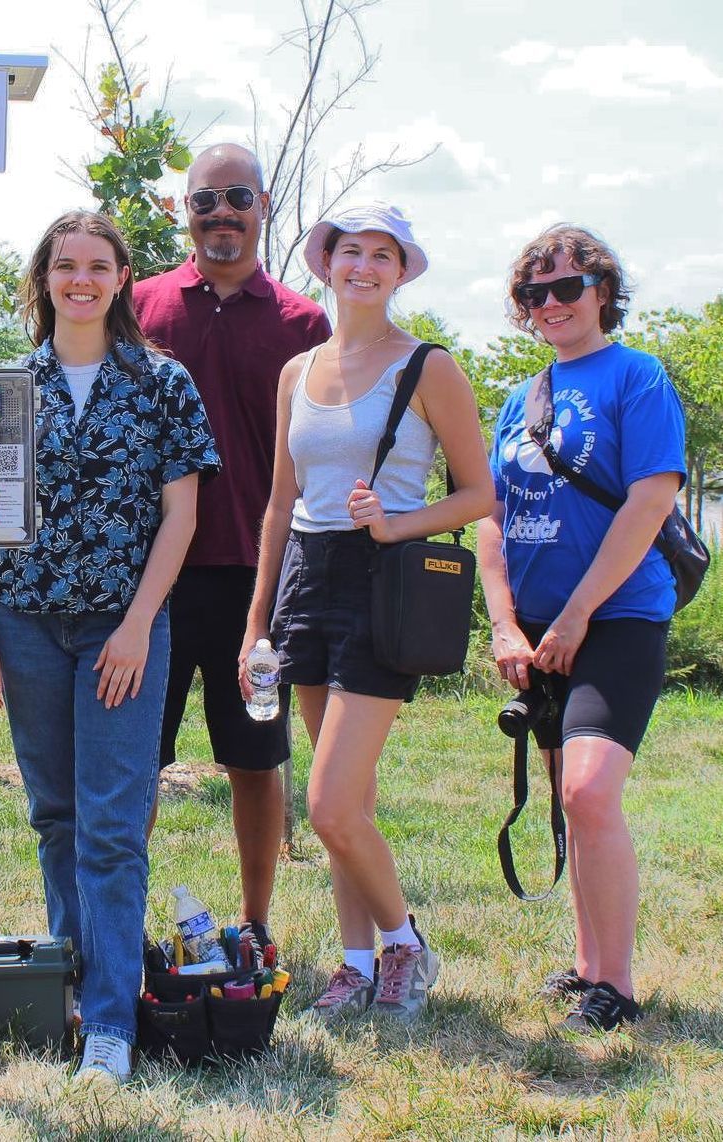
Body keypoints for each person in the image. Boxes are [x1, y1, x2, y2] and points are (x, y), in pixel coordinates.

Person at [0, 210, 219, 1083]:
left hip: (124, 629)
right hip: (26, 625)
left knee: (111, 827)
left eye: (97, 265)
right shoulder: (1, 389)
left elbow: (181, 515)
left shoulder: (162, 383)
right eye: (64, 264)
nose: (81, 278)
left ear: (121, 279)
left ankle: (111, 1023)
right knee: (56, 817)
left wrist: (140, 625)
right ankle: (73, 990)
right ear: (43, 279)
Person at [239, 203, 491, 1021]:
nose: (365, 268)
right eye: (352, 252)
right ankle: (354, 966)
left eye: (384, 256)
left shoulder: (429, 368)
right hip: (307, 580)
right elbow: (280, 505)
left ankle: (407, 946)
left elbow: (480, 493)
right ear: (327, 263)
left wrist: (397, 521)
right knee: (347, 802)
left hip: (386, 583)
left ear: (402, 271)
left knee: (331, 803)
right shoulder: (295, 372)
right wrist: (257, 623)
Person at [478, 226, 684, 1033]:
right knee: (571, 797)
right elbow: (490, 517)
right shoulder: (516, 398)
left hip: (618, 615)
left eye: (569, 287)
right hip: (535, 630)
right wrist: (504, 623)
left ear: (602, 291)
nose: (553, 304)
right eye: (536, 293)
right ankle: (587, 966)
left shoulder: (638, 375)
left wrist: (576, 615)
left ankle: (620, 985)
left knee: (590, 790)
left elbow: (651, 499)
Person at [134, 142, 331, 960]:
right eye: (205, 200)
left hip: (260, 582)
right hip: (147, 579)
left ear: (263, 208)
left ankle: (256, 921)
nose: (221, 214)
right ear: (185, 210)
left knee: (255, 755)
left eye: (237, 198)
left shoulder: (302, 322)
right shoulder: (137, 306)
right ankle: (119, 922)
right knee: (135, 758)